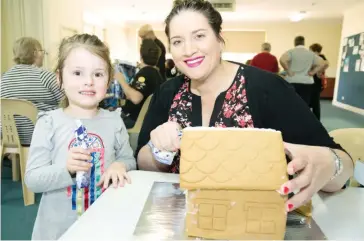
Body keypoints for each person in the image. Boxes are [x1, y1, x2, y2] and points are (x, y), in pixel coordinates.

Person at [136, 0, 353, 213]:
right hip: (181, 218)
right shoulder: (167, 92)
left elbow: (343, 164)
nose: (189, 50)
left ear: (219, 39)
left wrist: (331, 163)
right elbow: (142, 160)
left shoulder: (266, 88)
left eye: (199, 36)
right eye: (177, 41)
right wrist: (159, 150)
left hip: (251, 221)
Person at [24, 34, 136, 240]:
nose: (88, 82)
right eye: (77, 72)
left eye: (98, 74)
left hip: (104, 224)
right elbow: (32, 180)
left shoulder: (114, 121)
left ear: (109, 79)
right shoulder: (48, 123)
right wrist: (66, 169)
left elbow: (129, 159)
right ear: (59, 78)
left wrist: (120, 165)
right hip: (58, 229)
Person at [1, 37, 64, 146]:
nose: (43, 55)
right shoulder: (45, 76)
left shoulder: (3, 79)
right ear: (35, 53)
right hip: (43, 139)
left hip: (11, 140)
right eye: (42, 51)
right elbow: (65, 103)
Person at [116, 39, 163, 128]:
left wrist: (121, 80)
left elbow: (136, 98)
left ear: (141, 56)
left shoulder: (144, 74)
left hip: (134, 121)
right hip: (147, 120)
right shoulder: (157, 74)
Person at [280, 36, 327, 105]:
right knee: (304, 104)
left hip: (292, 81)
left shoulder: (290, 52)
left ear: (294, 43)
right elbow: (322, 63)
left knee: (291, 103)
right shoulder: (310, 53)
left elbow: (282, 60)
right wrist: (313, 72)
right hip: (306, 82)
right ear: (303, 43)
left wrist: (288, 70)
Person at [309, 43, 329, 120]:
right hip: (315, 83)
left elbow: (326, 64)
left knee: (314, 103)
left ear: (316, 51)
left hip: (315, 83)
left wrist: (318, 72)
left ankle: (315, 119)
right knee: (314, 102)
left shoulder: (319, 57)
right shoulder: (320, 57)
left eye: (310, 50)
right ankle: (315, 119)